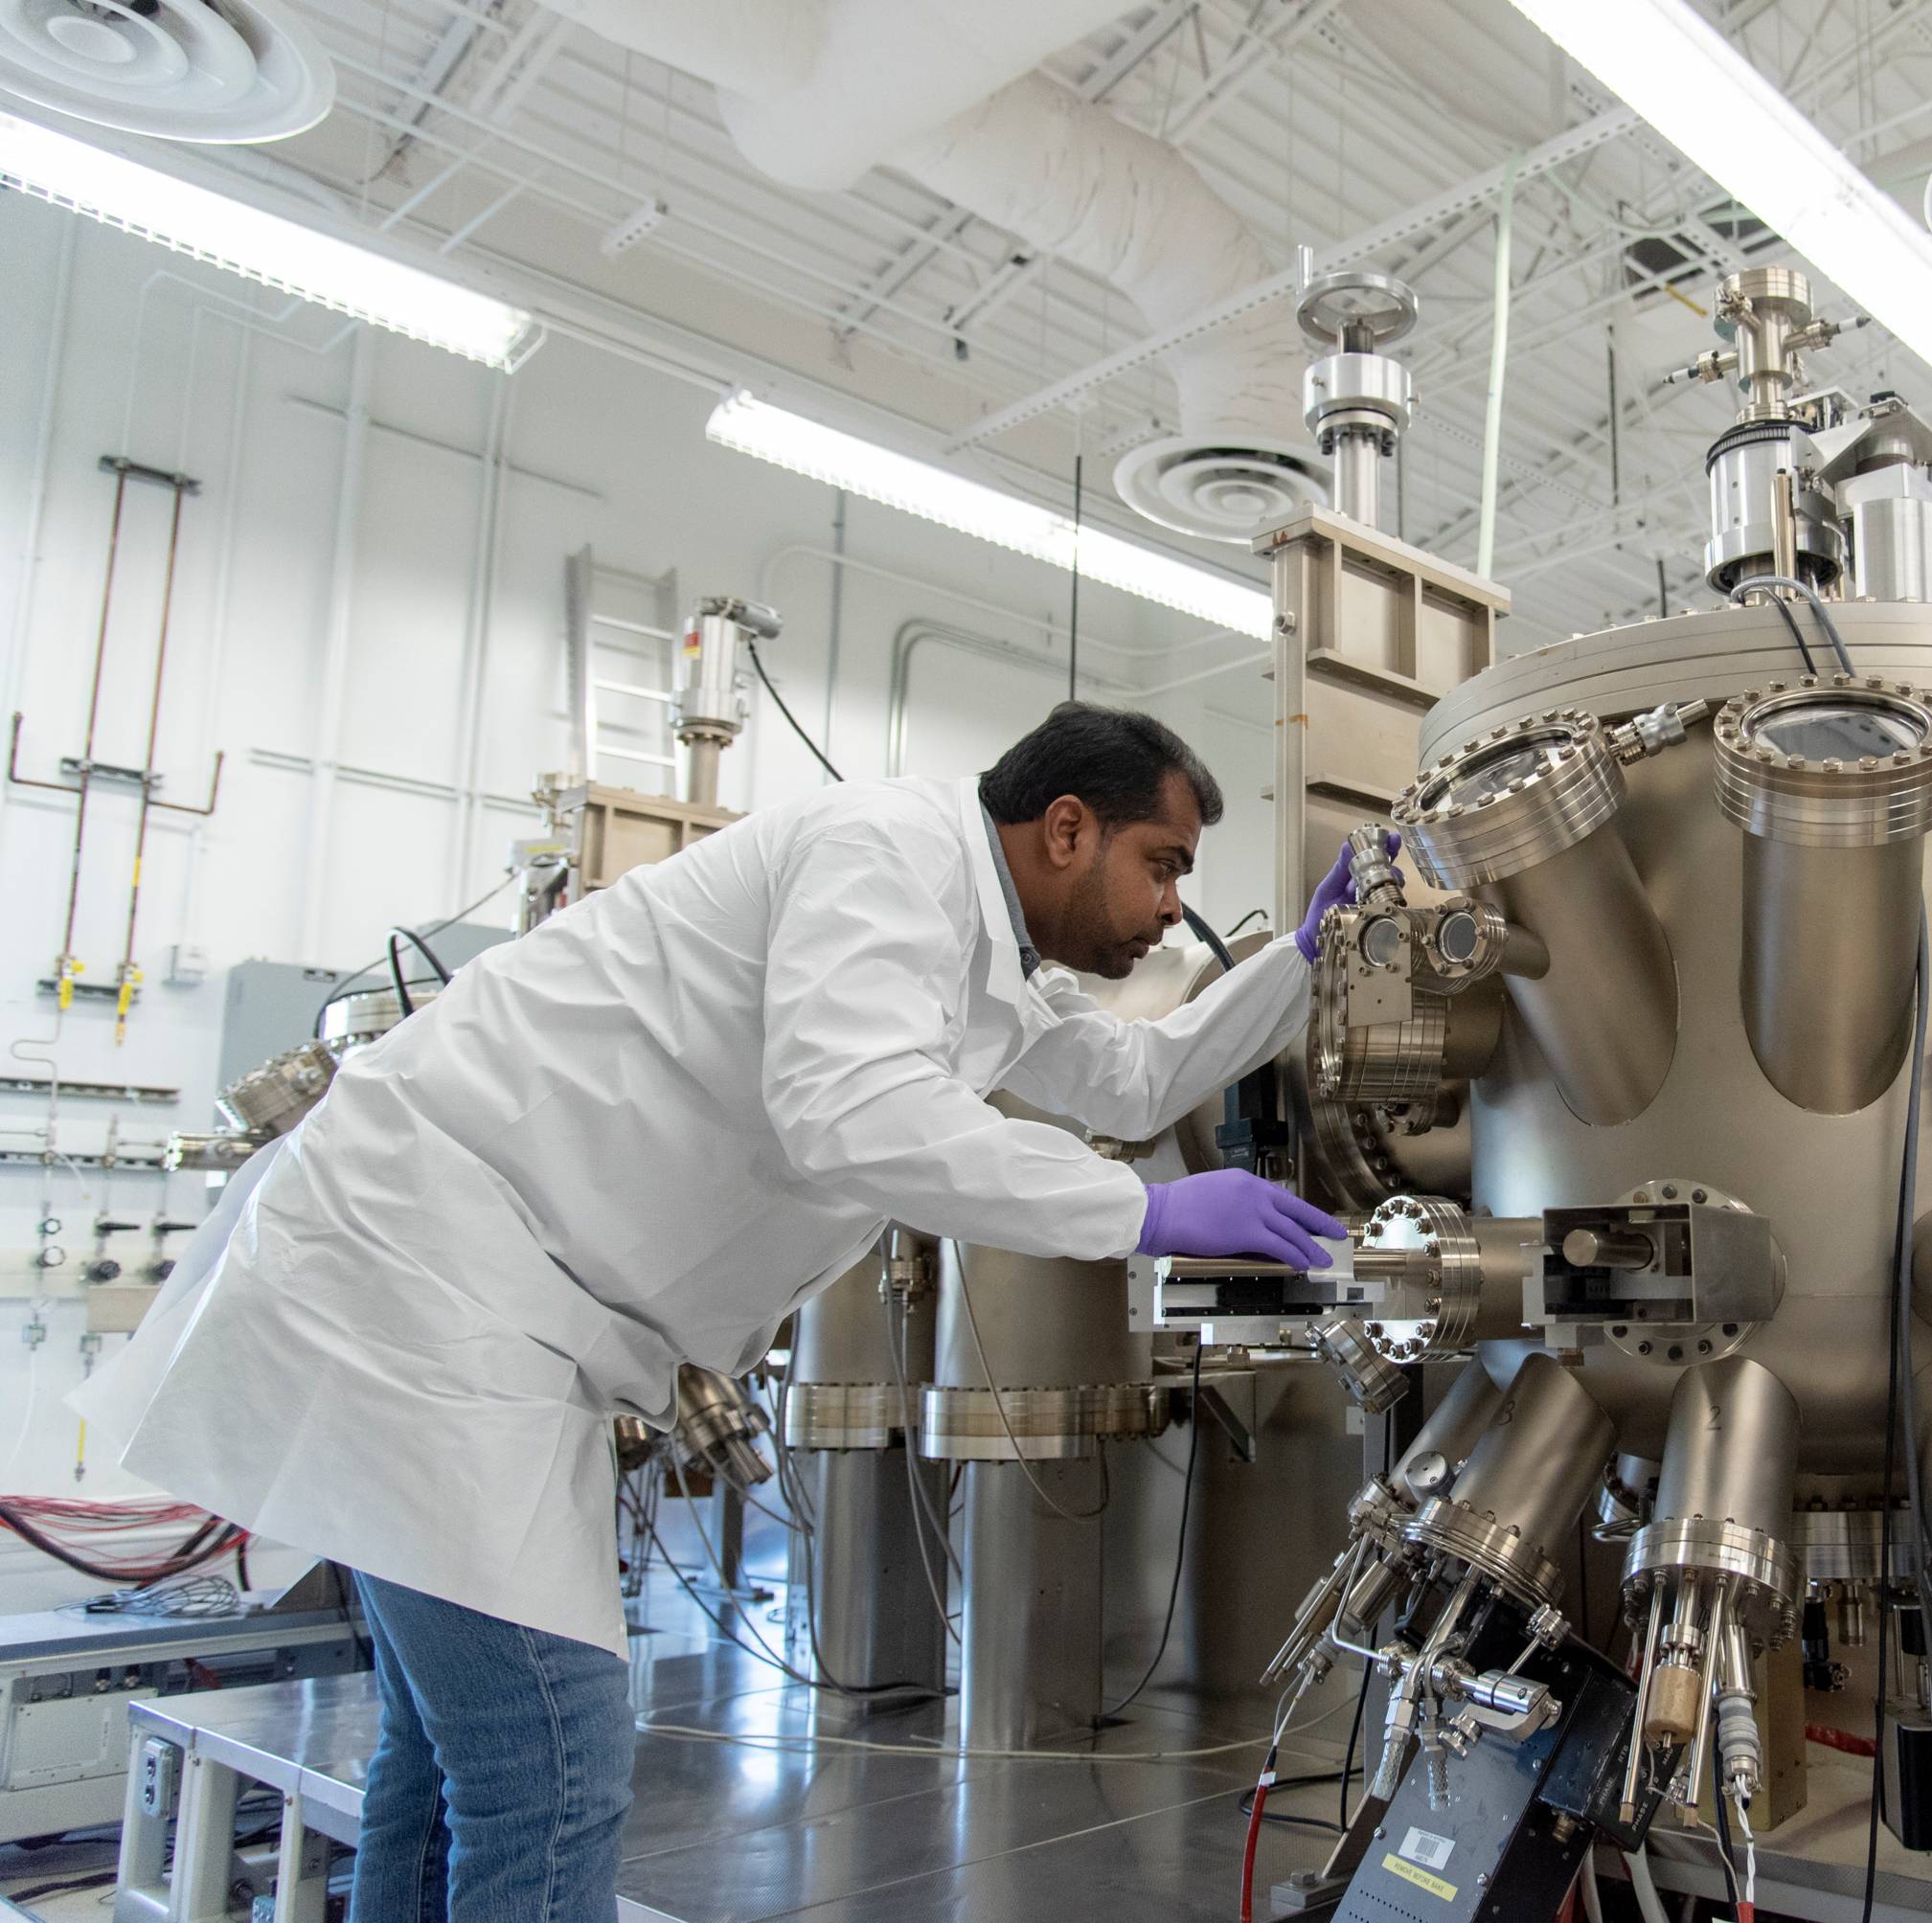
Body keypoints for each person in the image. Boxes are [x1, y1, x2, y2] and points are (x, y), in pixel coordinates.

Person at [72, 702, 1372, 1923]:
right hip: (427, 1282)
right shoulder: (892, 849)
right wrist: (1140, 1216)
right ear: (1069, 826)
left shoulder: (987, 960)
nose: (1172, 906)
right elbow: (850, 1110)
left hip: (489, 1313)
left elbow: (1136, 1078)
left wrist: (1305, 965)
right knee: (552, 1763)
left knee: (446, 1758)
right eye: (1164, 864)